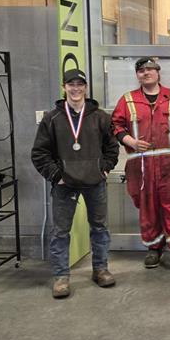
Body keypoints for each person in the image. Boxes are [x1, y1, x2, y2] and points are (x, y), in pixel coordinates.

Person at [31, 69, 120, 299]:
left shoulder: (100, 117)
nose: (76, 88)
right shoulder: (52, 118)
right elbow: (39, 153)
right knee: (60, 231)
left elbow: (112, 147)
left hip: (95, 182)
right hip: (64, 184)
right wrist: (56, 176)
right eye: (71, 84)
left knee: (99, 227)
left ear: (86, 88)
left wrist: (104, 168)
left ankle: (100, 269)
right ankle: (61, 277)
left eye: (80, 84)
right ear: (64, 87)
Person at [111, 57, 170, 270]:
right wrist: (131, 142)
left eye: (150, 69)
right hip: (140, 165)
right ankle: (154, 248)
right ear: (137, 75)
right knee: (147, 207)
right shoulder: (127, 100)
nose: (146, 73)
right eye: (141, 70)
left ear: (158, 73)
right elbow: (116, 126)